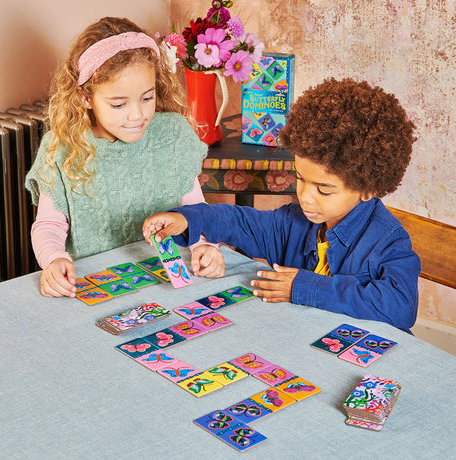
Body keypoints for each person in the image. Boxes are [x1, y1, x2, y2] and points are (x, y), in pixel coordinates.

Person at [142, 78, 421, 333]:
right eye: (300, 179)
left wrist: (303, 287)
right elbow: (239, 222)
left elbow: (400, 308)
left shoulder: (388, 239)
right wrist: (188, 220)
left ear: (367, 188)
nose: (305, 197)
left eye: (323, 189)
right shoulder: (295, 220)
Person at [26, 17, 225, 298]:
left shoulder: (173, 134)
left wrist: (204, 246)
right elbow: (49, 224)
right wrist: (54, 259)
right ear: (85, 97)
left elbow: (195, 209)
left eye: (147, 97)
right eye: (119, 104)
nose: (137, 115)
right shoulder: (61, 148)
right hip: (96, 286)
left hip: (169, 284)